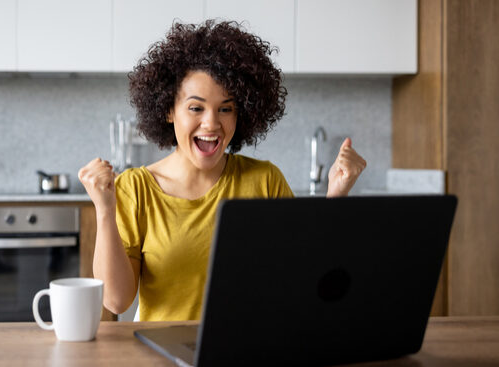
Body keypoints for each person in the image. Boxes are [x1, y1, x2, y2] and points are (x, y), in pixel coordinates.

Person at [78, 20, 367, 321]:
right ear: (167, 109)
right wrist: (104, 209)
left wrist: (336, 194)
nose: (212, 123)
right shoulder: (136, 188)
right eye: (196, 108)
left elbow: (306, 277)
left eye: (225, 109)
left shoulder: (265, 181)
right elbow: (116, 301)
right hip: (165, 351)